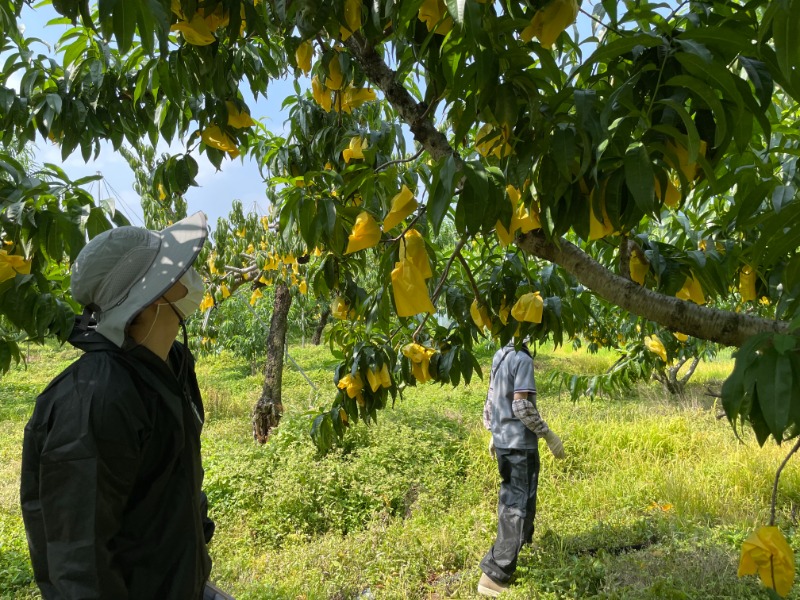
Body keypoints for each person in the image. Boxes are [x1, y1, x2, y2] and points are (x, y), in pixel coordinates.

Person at [20, 212, 229, 599]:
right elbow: (79, 561)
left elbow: (173, 468)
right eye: (177, 268)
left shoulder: (172, 362)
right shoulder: (96, 399)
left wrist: (195, 533)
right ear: (153, 294)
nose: (190, 274)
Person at [478, 339, 565, 597]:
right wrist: (548, 434)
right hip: (520, 445)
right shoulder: (523, 359)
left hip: (504, 442)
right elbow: (521, 405)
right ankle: (495, 574)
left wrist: (493, 431)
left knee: (518, 498)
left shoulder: (500, 354)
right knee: (517, 504)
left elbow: (492, 397)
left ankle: (521, 548)